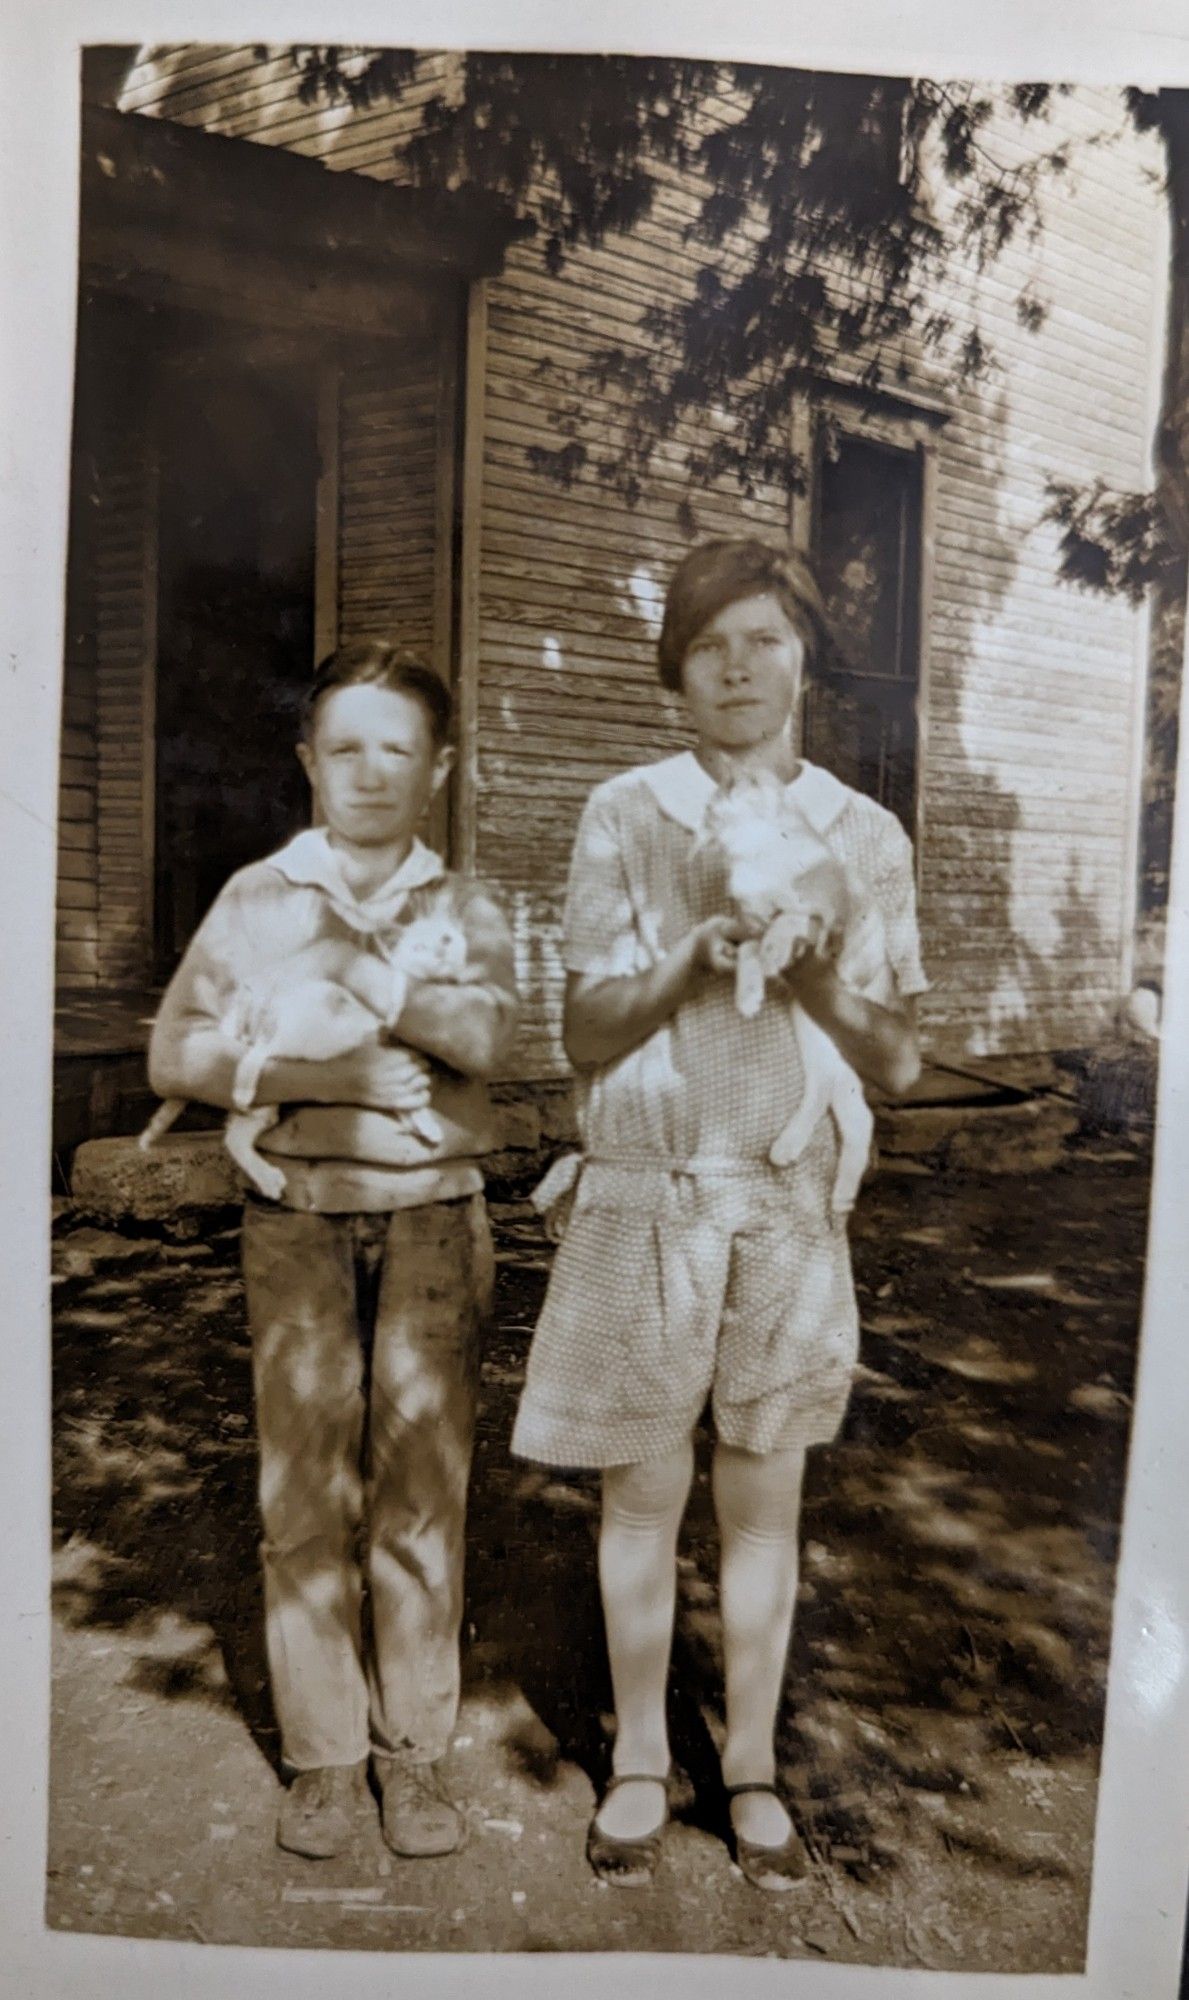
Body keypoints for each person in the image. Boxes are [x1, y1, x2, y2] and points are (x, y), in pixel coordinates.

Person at [511, 539, 927, 1891]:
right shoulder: (628, 812)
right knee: (640, 1491)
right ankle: (640, 1754)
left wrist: (805, 978)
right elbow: (581, 1030)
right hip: (651, 1195)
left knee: (762, 1497)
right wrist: (691, 952)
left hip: (788, 1209)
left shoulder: (863, 836)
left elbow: (900, 1060)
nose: (738, 668)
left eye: (765, 640)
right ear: (674, 672)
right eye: (710, 645)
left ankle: (745, 1761)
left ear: (805, 658)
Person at [148, 642, 519, 1862]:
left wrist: (356, 959)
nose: (370, 772)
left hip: (431, 1221)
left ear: (440, 768)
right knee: (303, 1491)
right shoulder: (257, 896)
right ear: (308, 760)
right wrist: (331, 1072)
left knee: (421, 1491)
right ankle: (324, 1758)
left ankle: (413, 1754)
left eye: (398, 749)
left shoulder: (461, 904)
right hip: (296, 1220)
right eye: (344, 746)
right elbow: (175, 1055)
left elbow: (478, 1038)